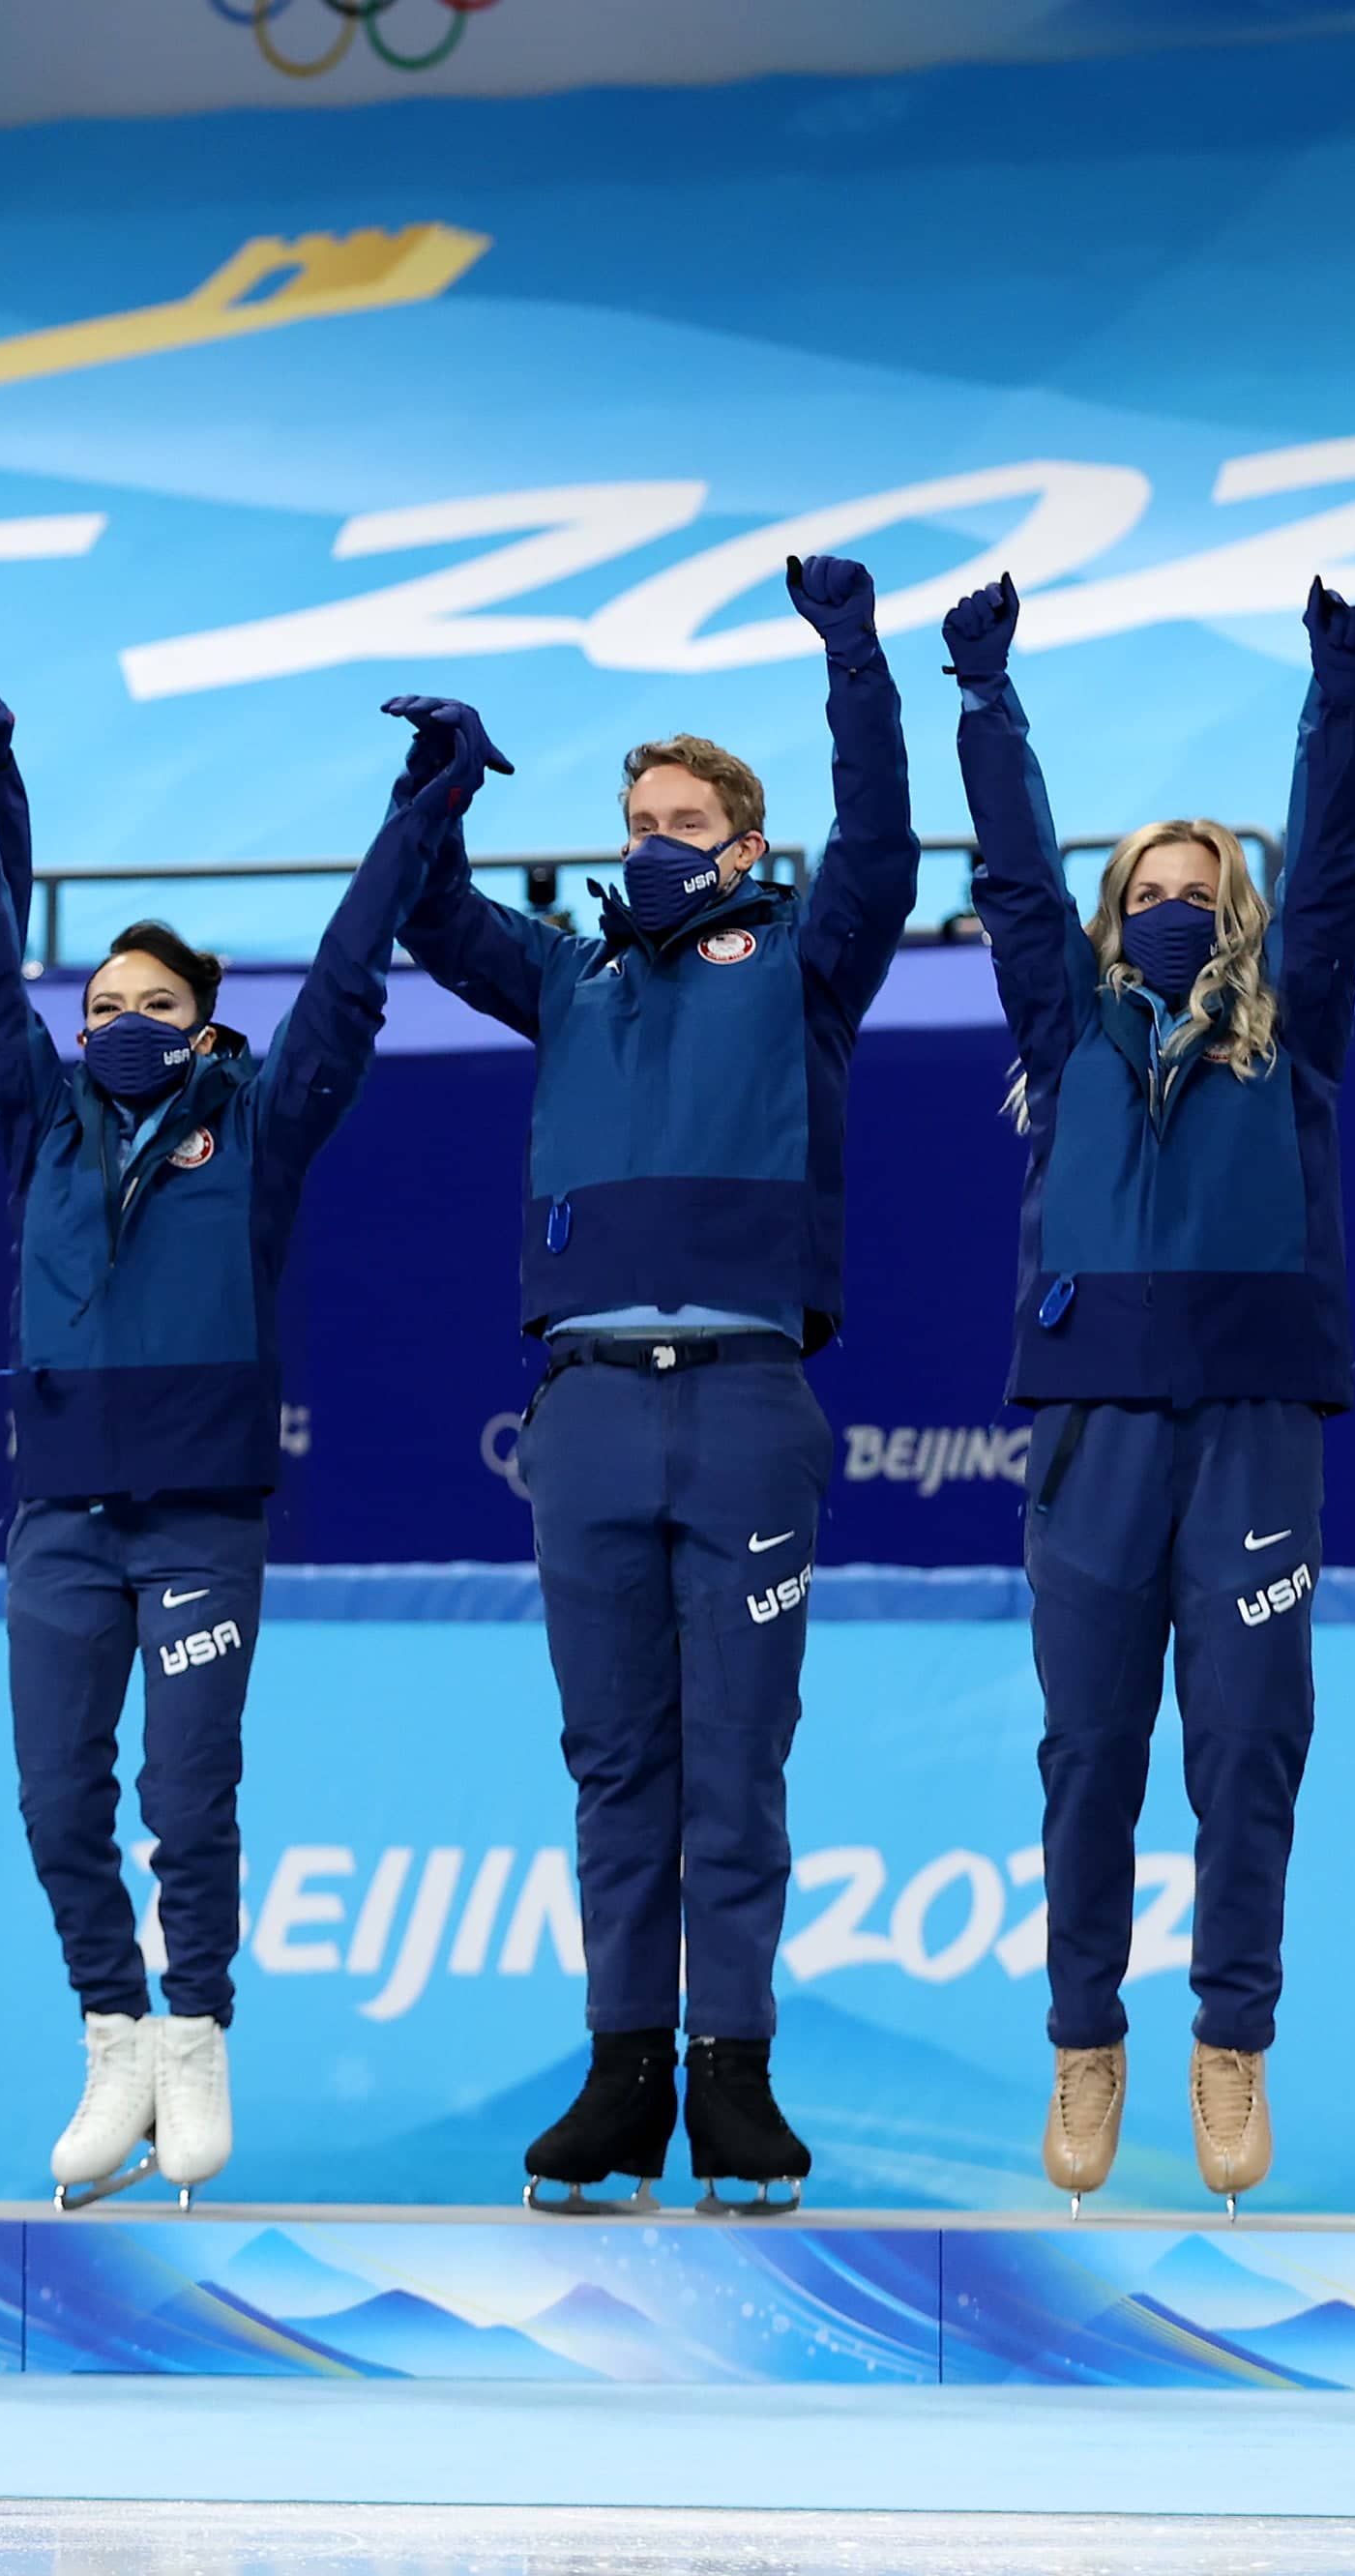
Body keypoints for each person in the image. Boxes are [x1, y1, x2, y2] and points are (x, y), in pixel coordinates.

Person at [0, 673, 505, 2208]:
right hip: (57, 1513)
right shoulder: (36, 1123)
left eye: (154, 1008)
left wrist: (424, 802)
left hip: (196, 1519)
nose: (119, 1024)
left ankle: (195, 2035)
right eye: (102, 1006)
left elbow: (347, 974)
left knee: (186, 1795)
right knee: (57, 1798)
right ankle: (111, 2033)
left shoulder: (255, 1124)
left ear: (205, 1032)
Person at [398, 554, 917, 2211]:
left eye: (686, 817)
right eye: (638, 814)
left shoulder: (804, 965)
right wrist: (433, 791)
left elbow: (890, 844)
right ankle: (623, 2076)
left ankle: (734, 2079)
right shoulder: (571, 977)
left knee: (736, 1764)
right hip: (591, 1412)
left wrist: (853, 654)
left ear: (745, 845)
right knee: (616, 1762)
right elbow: (429, 919)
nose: (653, 839)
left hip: (751, 1405)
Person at [944, 573, 1355, 2210]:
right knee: (1089, 1753)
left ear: (1237, 915)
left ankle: (1229, 2038)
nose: (1176, 909)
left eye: (1202, 890)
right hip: (1093, 1432)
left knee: (1250, 1739)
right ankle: (1081, 2036)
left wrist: (1339, 675)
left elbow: (1329, 860)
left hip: (1256, 1430)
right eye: (1149, 892)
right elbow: (1003, 871)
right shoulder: (1064, 1032)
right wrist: (983, 691)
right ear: (1113, 915)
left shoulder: (1295, 1035)